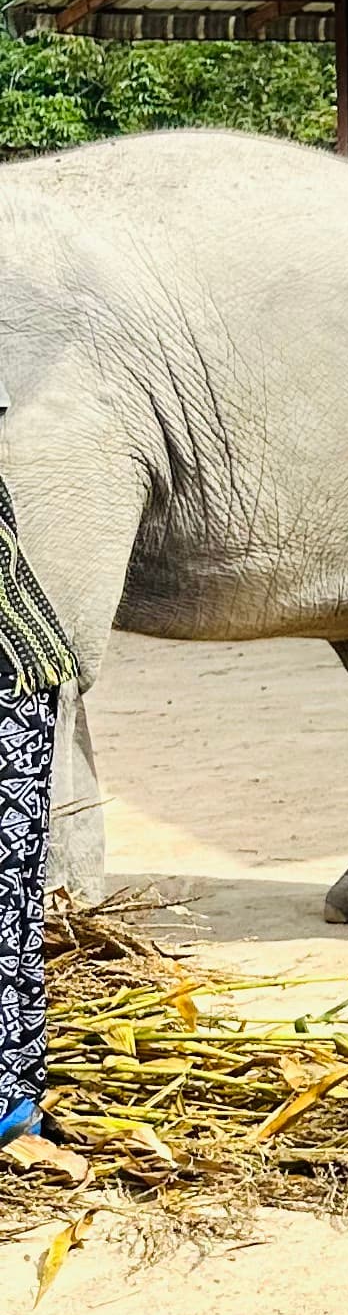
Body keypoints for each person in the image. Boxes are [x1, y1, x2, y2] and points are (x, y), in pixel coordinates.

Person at [0, 472, 81, 1173]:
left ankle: (10, 1104)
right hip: (23, 678)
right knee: (13, 902)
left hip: (10, 684)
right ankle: (16, 1100)